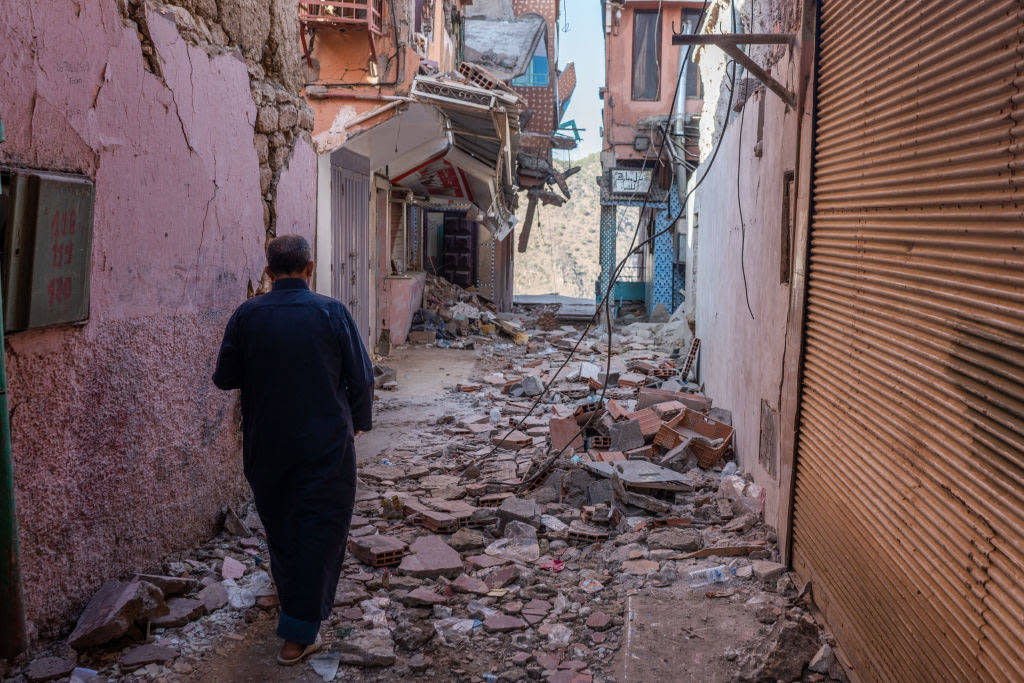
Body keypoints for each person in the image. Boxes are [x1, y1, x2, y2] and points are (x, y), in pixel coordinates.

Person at [212, 234, 374, 665]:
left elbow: (225, 378)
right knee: (320, 529)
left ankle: (293, 603)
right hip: (326, 443)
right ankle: (299, 632)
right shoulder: (332, 312)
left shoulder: (247, 315)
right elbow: (362, 379)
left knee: (282, 526)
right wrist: (358, 423)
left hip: (267, 443)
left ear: (268, 272)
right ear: (310, 268)